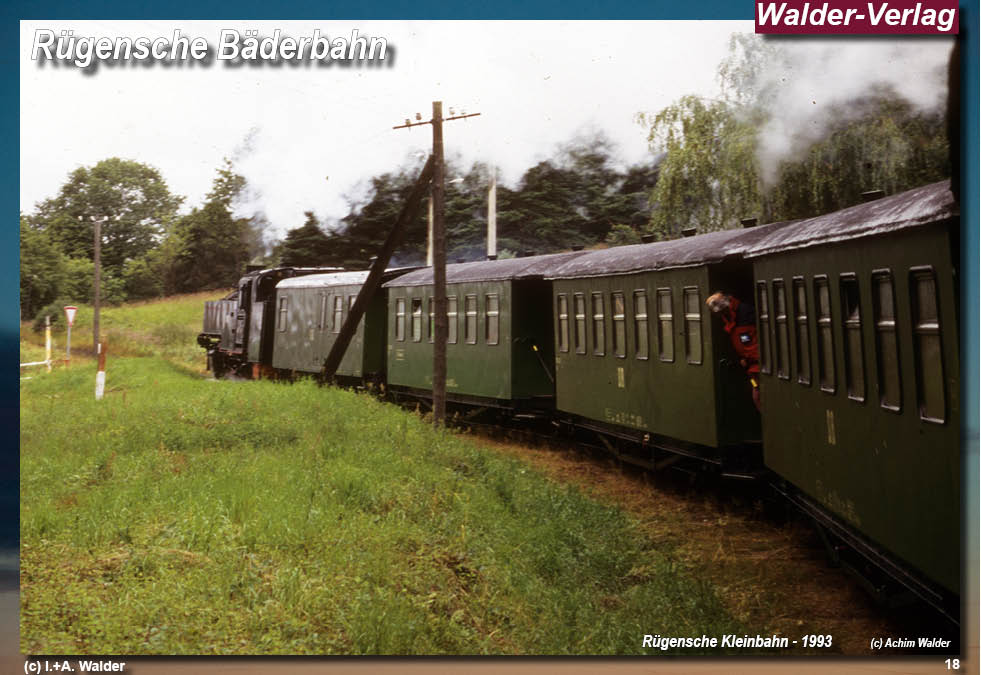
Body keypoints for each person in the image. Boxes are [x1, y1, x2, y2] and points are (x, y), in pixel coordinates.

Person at [706, 291, 761, 412]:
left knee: (758, 397)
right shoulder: (728, 319)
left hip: (759, 366)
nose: (720, 315)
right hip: (751, 369)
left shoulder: (746, 312)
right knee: (756, 394)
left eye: (721, 311)